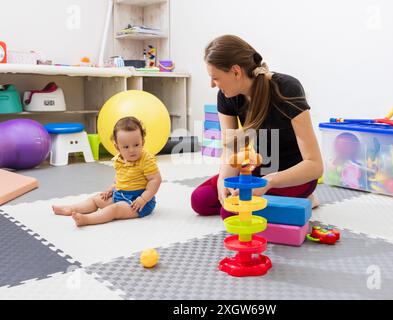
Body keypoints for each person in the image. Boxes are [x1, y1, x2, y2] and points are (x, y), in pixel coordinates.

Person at [191, 35, 323, 219]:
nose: (212, 85)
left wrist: (268, 182)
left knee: (231, 212)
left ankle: (307, 198)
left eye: (215, 78)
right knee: (201, 200)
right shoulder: (227, 95)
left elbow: (315, 165)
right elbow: (231, 149)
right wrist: (224, 180)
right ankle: (287, 200)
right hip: (261, 167)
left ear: (236, 72)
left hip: (294, 174)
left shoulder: (286, 88)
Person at [52, 116, 162, 227]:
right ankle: (71, 208)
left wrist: (143, 199)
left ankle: (87, 219)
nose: (132, 150)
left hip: (138, 203)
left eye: (136, 145)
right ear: (117, 147)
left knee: (114, 209)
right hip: (120, 195)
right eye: (126, 147)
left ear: (142, 141)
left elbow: (155, 180)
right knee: (97, 198)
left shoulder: (146, 159)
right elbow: (119, 179)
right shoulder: (119, 159)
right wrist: (111, 188)